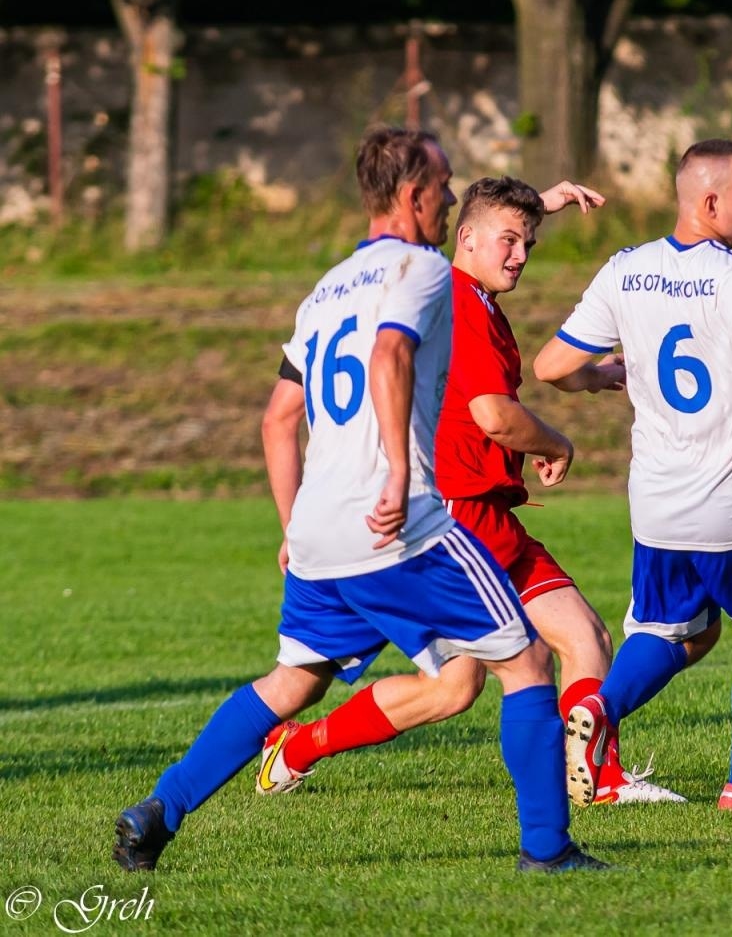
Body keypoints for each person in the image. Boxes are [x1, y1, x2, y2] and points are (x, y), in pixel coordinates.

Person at [113, 127, 602, 873]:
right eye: (442, 188)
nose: (446, 200)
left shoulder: (324, 292)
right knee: (528, 663)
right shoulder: (424, 269)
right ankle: (549, 851)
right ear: (413, 197)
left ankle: (160, 808)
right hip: (399, 523)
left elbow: (279, 420)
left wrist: (292, 527)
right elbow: (390, 352)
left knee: (292, 683)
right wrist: (402, 478)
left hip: (318, 530)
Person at [257, 174, 684, 806]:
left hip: (474, 509)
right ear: (466, 239)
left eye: (529, 244)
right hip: (460, 518)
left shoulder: (458, 291)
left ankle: (293, 748)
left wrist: (546, 204)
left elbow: (482, 220)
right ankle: (590, 789)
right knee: (537, 654)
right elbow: (493, 414)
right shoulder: (460, 300)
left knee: (484, 676)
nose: (520, 254)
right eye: (510, 242)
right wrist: (555, 445)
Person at [531, 138, 732, 809]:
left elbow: (550, 366)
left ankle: (595, 712)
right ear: (709, 203)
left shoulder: (625, 269)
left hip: (659, 507)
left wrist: (597, 377)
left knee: (687, 631)